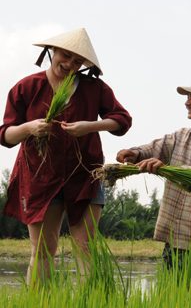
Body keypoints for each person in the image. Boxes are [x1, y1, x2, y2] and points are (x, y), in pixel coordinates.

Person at [0, 28, 132, 282]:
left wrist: (90, 125)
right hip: (40, 177)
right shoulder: (27, 87)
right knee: (42, 251)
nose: (70, 64)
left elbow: (122, 120)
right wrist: (29, 128)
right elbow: (5, 135)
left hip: (85, 175)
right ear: (52, 51)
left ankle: (88, 300)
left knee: (85, 248)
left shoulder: (95, 88)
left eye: (77, 61)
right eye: (65, 55)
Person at [116, 78, 191, 289]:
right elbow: (153, 148)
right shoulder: (181, 136)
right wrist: (134, 153)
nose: (187, 102)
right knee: (171, 295)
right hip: (177, 235)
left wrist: (166, 169)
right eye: (187, 97)